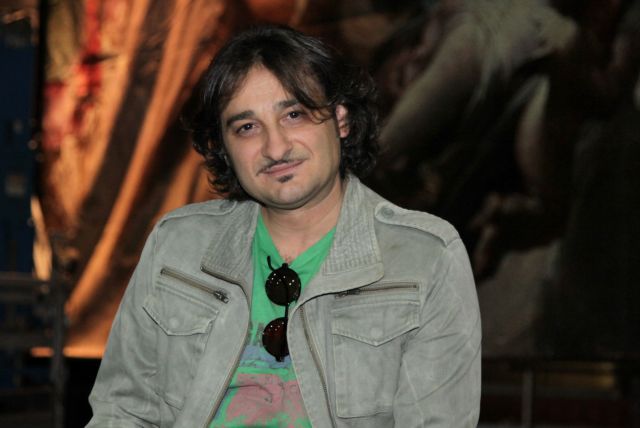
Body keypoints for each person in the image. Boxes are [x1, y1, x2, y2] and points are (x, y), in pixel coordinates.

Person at [86, 25, 481, 427]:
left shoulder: (423, 257)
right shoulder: (178, 246)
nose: (275, 148)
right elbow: (123, 411)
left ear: (341, 119)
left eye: (294, 115)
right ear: (224, 148)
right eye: (247, 127)